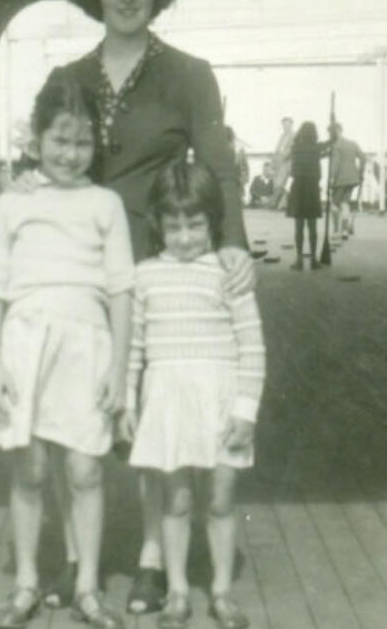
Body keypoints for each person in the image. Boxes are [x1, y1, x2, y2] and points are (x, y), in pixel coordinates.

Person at [46, 0, 255, 616]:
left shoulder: (190, 74)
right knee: (76, 403)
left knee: (149, 412)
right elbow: (40, 163)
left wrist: (232, 244)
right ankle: (77, 555)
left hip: (158, 260)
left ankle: (148, 562)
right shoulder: (66, 78)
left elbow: (218, 163)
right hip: (80, 264)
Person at [0, 74, 133, 629]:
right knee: (31, 470)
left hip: (87, 348)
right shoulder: (12, 205)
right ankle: (25, 582)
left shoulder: (106, 204)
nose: (71, 154)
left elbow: (119, 291)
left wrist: (119, 368)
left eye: (83, 142)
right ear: (36, 138)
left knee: (86, 470)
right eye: (60, 140)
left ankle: (87, 585)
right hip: (25, 348)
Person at [122, 161, 265, 629]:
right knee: (176, 502)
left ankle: (221, 590)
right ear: (158, 225)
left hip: (221, 404)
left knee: (221, 501)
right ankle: (179, 589)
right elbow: (134, 348)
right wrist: (125, 401)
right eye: (174, 225)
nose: (184, 237)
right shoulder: (143, 275)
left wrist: (246, 410)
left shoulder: (229, 273)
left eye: (195, 224)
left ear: (212, 222)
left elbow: (253, 348)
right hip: (167, 406)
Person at [286, 121, 323, 271]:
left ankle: (299, 259)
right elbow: (331, 141)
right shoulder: (317, 148)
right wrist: (332, 128)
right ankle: (314, 259)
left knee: (299, 225)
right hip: (312, 188)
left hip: (298, 188)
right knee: (312, 225)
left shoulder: (296, 148)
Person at [326, 121, 365, 241]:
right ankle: (344, 231)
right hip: (353, 179)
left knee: (334, 205)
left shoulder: (336, 145)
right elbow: (363, 158)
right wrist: (360, 173)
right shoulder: (352, 143)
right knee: (345, 203)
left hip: (339, 180)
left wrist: (331, 179)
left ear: (335, 131)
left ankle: (336, 231)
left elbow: (336, 164)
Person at [270, 116, 296, 210]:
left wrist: (283, 157)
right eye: (284, 124)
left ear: (291, 125)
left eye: (287, 124)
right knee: (278, 183)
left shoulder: (294, 135)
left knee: (281, 183)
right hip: (279, 162)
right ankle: (279, 204)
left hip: (288, 162)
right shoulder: (282, 136)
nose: (285, 126)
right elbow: (277, 149)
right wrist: (274, 161)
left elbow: (291, 149)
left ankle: (278, 204)